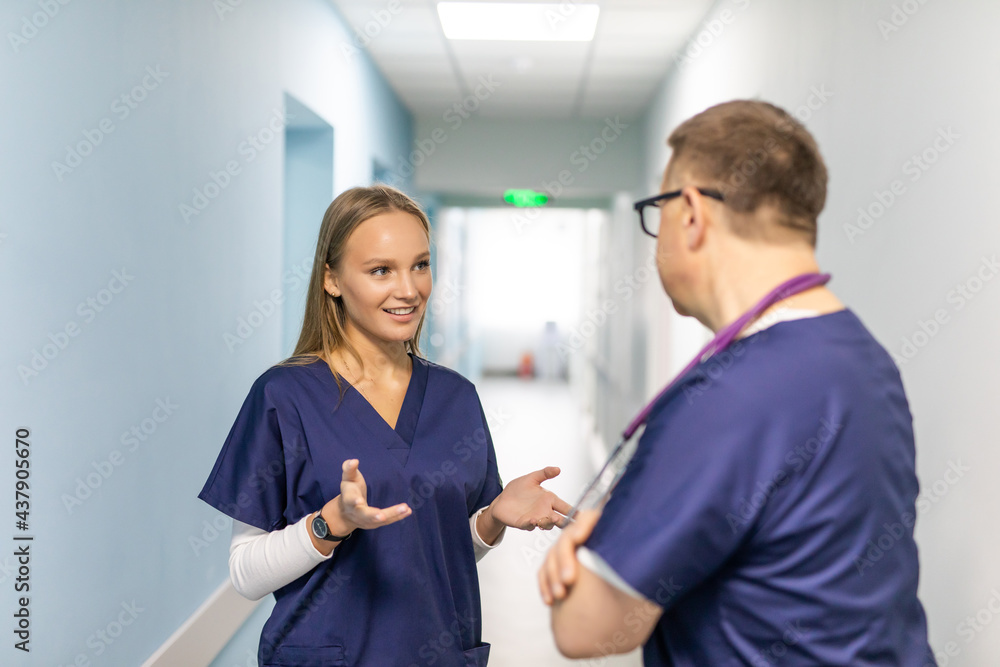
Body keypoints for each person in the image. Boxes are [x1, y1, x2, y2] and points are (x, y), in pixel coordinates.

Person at [538, 100, 934, 665]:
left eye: (658, 210)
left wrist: (589, 549)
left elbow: (584, 628)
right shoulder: (865, 358)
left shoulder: (726, 398)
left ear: (691, 214)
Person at [199, 185, 571, 667]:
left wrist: (491, 519)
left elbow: (434, 554)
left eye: (420, 265)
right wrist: (331, 523)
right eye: (381, 270)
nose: (409, 290)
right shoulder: (284, 396)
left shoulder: (456, 398)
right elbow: (245, 573)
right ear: (332, 279)